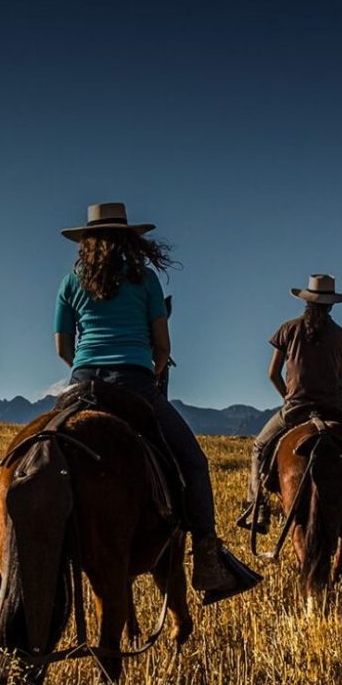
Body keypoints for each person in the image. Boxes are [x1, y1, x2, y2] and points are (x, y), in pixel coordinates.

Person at [53, 201, 246, 595]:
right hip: (134, 381)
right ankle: (206, 554)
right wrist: (150, 370)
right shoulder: (146, 279)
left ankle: (17, 554)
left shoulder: (69, 282)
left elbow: (62, 347)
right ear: (129, 241)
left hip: (82, 382)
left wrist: (86, 370)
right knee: (193, 461)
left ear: (85, 242)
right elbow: (162, 346)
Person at [239, 274, 342, 534]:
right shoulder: (341, 335)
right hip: (334, 407)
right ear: (332, 304)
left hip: (296, 406)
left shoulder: (288, 328)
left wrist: (287, 397)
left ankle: (258, 509)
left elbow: (272, 374)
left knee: (259, 446)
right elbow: (340, 379)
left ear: (306, 301)